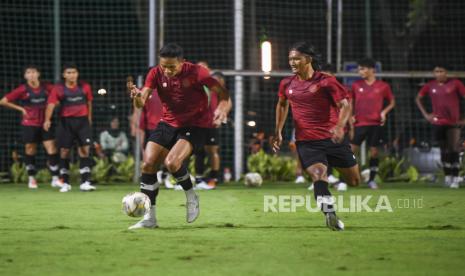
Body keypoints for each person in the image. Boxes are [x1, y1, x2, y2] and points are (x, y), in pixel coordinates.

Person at [128, 43, 231, 229]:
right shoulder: (155, 73)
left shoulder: (198, 72)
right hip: (168, 122)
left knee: (172, 162)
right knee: (148, 163)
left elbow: (224, 94)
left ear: (182, 63)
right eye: (163, 66)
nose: (166, 71)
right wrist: (136, 96)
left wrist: (223, 108)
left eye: (171, 67)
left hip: (196, 124)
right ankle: (149, 219)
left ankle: (192, 196)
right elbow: (141, 102)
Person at [272, 42, 360, 231]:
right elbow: (281, 104)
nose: (292, 62)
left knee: (354, 181)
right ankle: (330, 214)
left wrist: (339, 126)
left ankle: (335, 195)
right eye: (290, 59)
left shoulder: (326, 81)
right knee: (318, 175)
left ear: (308, 59)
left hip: (333, 138)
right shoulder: (287, 83)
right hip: (307, 141)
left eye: (296, 58)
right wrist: (278, 130)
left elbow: (345, 105)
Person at [0, 65, 60, 189]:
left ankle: (55, 178)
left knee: (52, 149)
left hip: (46, 123)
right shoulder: (22, 89)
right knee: (30, 149)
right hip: (29, 124)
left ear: (38, 74)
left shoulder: (47, 87)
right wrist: (21, 109)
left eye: (33, 72)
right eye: (28, 72)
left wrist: (53, 105)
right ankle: (32, 178)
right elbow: (3, 101)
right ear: (25, 76)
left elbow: (59, 96)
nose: (31, 74)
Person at [43, 63, 96, 192]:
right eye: (68, 72)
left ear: (77, 74)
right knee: (64, 151)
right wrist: (47, 120)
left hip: (82, 122)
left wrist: (89, 119)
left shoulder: (85, 87)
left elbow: (89, 103)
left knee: (84, 150)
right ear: (64, 75)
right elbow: (50, 104)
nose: (71, 75)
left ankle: (85, 182)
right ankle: (65, 182)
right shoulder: (59, 88)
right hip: (66, 123)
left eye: (74, 72)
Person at [416, 64, 465, 188]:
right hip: (438, 122)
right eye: (436, 71)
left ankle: (455, 178)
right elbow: (418, 98)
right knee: (444, 150)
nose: (438, 74)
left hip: (453, 123)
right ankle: (448, 177)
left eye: (441, 71)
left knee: (454, 148)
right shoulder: (430, 85)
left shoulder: (456, 83)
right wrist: (427, 115)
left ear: (446, 72)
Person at [350, 58, 395, 189]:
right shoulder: (356, 85)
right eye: (359, 69)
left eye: (363, 69)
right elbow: (351, 101)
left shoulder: (383, 86)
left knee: (374, 152)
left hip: (376, 124)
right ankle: (349, 177)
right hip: (359, 123)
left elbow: (392, 102)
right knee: (350, 151)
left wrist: (384, 112)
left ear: (372, 70)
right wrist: (351, 115)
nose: (360, 72)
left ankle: (371, 180)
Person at [194, 64, 231, 189]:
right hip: (199, 126)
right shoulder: (203, 89)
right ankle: (198, 179)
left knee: (213, 151)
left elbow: (227, 104)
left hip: (212, 126)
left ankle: (214, 178)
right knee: (198, 152)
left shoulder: (222, 93)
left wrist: (221, 117)